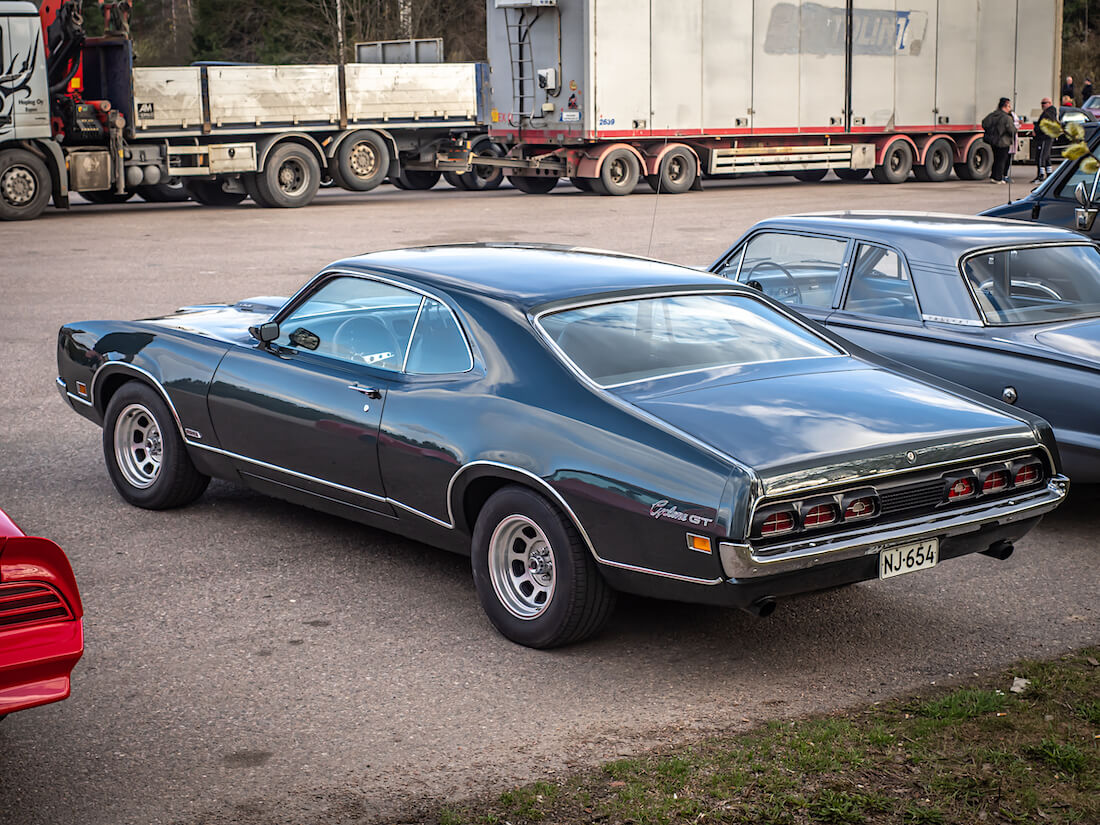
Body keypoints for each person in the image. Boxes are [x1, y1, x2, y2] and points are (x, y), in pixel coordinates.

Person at [982, 97, 1016, 184]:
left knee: (996, 158)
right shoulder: (1007, 118)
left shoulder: (992, 115)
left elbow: (984, 123)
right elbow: (1012, 130)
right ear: (1004, 107)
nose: (1010, 108)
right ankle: (998, 178)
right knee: (1002, 160)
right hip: (1003, 142)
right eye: (1009, 106)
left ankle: (994, 176)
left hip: (993, 140)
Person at [1034, 96, 1058, 182]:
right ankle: (1049, 174)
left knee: (1041, 157)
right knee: (1047, 156)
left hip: (1045, 137)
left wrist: (1037, 130)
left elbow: (1044, 126)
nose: (1042, 105)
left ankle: (1041, 175)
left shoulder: (1048, 113)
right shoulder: (1049, 112)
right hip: (1047, 137)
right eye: (1042, 103)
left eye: (1044, 103)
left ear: (1050, 103)